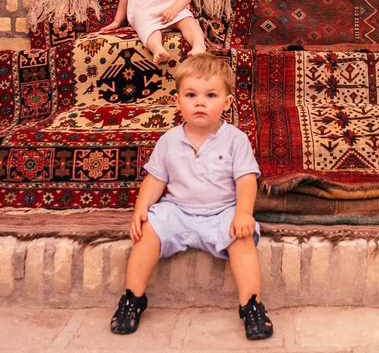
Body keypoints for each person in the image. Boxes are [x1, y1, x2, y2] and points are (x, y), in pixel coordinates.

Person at [109, 53, 274, 340]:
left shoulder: (235, 139)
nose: (200, 102)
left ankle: (252, 305)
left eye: (211, 95)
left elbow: (246, 179)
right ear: (177, 101)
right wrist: (141, 207)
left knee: (243, 240)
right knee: (146, 233)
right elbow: (155, 179)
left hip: (222, 211)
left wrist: (243, 213)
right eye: (191, 94)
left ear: (227, 102)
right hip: (178, 211)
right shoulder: (169, 140)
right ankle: (132, 299)